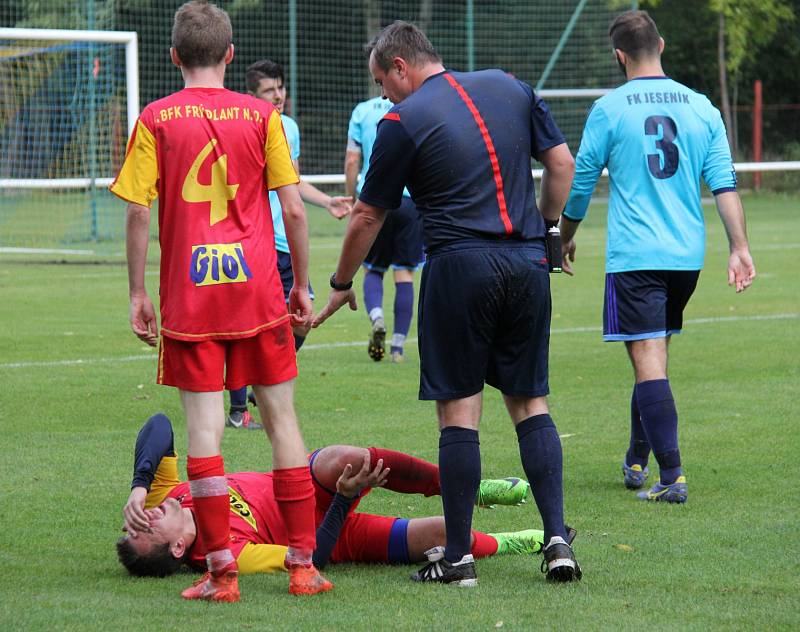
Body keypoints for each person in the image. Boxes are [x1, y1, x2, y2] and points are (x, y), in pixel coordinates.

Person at [313, 21, 581, 585]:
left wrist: (340, 285)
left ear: (401, 66)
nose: (383, 93)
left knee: (459, 412)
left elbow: (366, 214)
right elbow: (562, 166)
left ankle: (458, 559)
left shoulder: (402, 120)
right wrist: (550, 230)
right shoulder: (511, 85)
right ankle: (558, 541)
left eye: (383, 80)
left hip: (460, 266)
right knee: (531, 403)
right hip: (528, 266)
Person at [109, 1, 330, 601]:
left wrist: (136, 292)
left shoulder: (156, 118)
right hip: (256, 293)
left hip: (191, 297)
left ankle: (221, 572)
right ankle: (304, 568)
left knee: (205, 431)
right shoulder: (263, 117)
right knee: (283, 420)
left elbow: (136, 209)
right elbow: (290, 208)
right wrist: (302, 285)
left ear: (175, 56)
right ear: (230, 55)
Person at [560, 10, 756, 503]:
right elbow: (725, 185)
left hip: (636, 257)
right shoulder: (702, 107)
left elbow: (581, 182)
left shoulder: (609, 109)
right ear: (662, 45)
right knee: (653, 356)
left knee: (647, 360)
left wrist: (564, 235)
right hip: (685, 257)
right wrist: (739, 247)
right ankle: (636, 459)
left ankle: (671, 479)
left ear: (619, 55)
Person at [118, 414, 559, 579]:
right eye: (146, 527)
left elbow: (157, 425)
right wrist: (345, 502)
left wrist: (139, 486)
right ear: (178, 546)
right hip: (324, 533)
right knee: (446, 534)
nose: (147, 514)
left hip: (304, 485)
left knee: (342, 457)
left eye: (136, 518)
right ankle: (519, 540)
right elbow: (311, 560)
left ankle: (465, 486)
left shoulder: (170, 495)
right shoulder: (227, 553)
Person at [225, 59, 353, 430]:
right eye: (270, 90)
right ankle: (238, 411)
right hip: (252, 242)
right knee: (244, 326)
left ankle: (258, 388)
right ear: (252, 96)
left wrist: (327, 201)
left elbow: (291, 181)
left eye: (281, 87)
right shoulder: (241, 127)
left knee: (303, 319)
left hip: (284, 245)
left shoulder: (289, 128)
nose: (279, 95)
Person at [345, 96, 424, 363]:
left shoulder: (362, 111)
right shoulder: (416, 108)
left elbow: (352, 159)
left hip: (375, 197)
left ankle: (377, 318)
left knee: (373, 269)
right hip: (408, 200)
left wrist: (351, 198)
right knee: (404, 274)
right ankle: (399, 348)